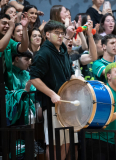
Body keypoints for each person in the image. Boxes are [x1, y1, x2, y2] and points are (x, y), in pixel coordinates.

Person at [30, 20, 75, 160]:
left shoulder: (62, 50)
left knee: (67, 143)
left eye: (62, 33)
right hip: (52, 105)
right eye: (56, 33)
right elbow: (34, 78)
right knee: (54, 143)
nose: (60, 36)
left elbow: (70, 73)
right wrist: (52, 94)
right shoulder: (43, 53)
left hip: (66, 104)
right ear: (47, 34)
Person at [85, 62, 116, 160]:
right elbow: (103, 120)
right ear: (109, 76)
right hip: (96, 139)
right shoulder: (104, 92)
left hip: (110, 140)